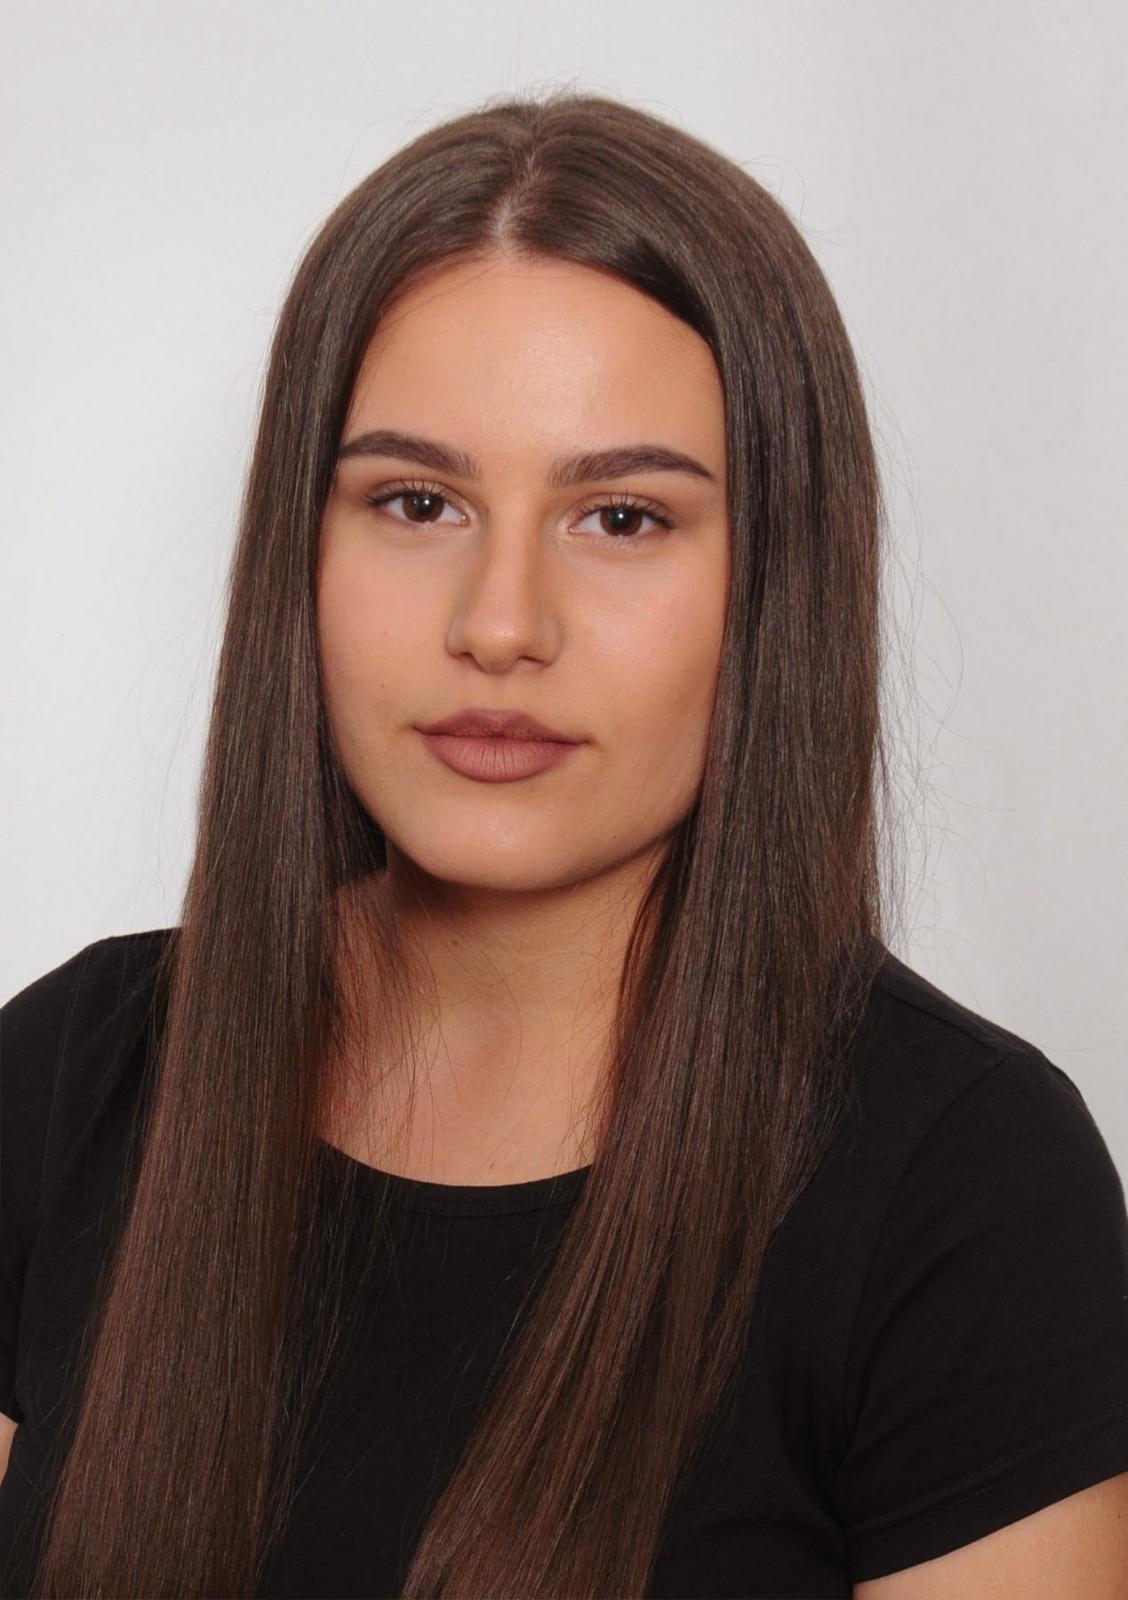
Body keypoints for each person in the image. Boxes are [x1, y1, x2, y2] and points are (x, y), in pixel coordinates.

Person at [2, 89, 1126, 1600]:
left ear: (774, 582)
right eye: (417, 502)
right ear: (300, 549)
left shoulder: (966, 1186)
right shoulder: (71, 1077)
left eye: (623, 519)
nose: (500, 624)